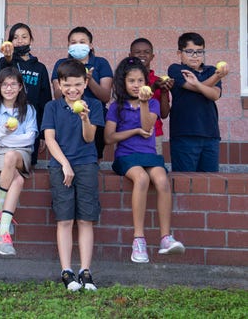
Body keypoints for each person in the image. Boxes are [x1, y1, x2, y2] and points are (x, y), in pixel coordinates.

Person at [105, 57, 185, 264]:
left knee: (161, 180)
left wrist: (143, 103)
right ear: (123, 83)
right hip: (126, 156)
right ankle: (138, 239)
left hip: (150, 155)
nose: (136, 85)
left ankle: (165, 238)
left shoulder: (153, 103)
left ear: (146, 83)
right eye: (131, 81)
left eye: (140, 81)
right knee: (141, 179)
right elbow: (108, 137)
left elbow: (148, 126)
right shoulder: (116, 106)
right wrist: (132, 131)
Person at [42, 59, 104, 291]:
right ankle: (66, 270)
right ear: (59, 84)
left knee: (86, 219)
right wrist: (65, 165)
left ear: (86, 83)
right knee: (65, 219)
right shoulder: (52, 107)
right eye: (67, 85)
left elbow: (89, 138)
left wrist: (85, 119)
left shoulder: (93, 106)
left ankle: (85, 271)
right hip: (60, 166)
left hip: (87, 164)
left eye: (78, 84)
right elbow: (49, 139)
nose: (72, 89)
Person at [0, 67, 38, 256]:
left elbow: (29, 139)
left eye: (14, 84)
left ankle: (0, 207)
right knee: (19, 180)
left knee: (11, 155)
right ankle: (3, 232)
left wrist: (2, 140)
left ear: (21, 87)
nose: (9, 88)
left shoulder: (28, 110)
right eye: (5, 84)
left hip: (21, 154)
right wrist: (2, 131)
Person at [167, 32, 226, 172]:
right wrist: (213, 79)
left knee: (210, 183)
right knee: (184, 181)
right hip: (184, 134)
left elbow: (214, 95)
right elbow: (191, 87)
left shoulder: (212, 70)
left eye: (199, 52)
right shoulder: (176, 69)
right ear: (179, 53)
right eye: (190, 51)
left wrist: (201, 83)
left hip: (210, 135)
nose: (195, 56)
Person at [51, 26, 112, 159]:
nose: (78, 45)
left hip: (95, 115)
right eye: (73, 42)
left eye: (82, 42)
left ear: (90, 45)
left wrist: (88, 80)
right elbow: (56, 95)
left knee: (93, 156)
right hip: (66, 114)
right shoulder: (61, 64)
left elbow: (106, 96)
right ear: (68, 46)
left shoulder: (101, 63)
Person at [0, 23, 52, 166]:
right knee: (7, 162)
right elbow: (5, 67)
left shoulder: (40, 68)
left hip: (31, 121)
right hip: (8, 119)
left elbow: (45, 101)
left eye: (24, 37)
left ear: (30, 40)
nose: (20, 41)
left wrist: (42, 133)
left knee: (27, 164)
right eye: (15, 37)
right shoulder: (5, 62)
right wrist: (8, 57)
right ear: (10, 41)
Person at [128, 38, 173, 155]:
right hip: (129, 133)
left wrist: (163, 91)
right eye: (137, 52)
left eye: (146, 52)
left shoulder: (159, 81)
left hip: (154, 134)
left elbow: (164, 114)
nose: (142, 55)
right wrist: (153, 87)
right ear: (130, 55)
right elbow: (133, 102)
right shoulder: (125, 80)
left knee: (154, 168)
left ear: (152, 56)